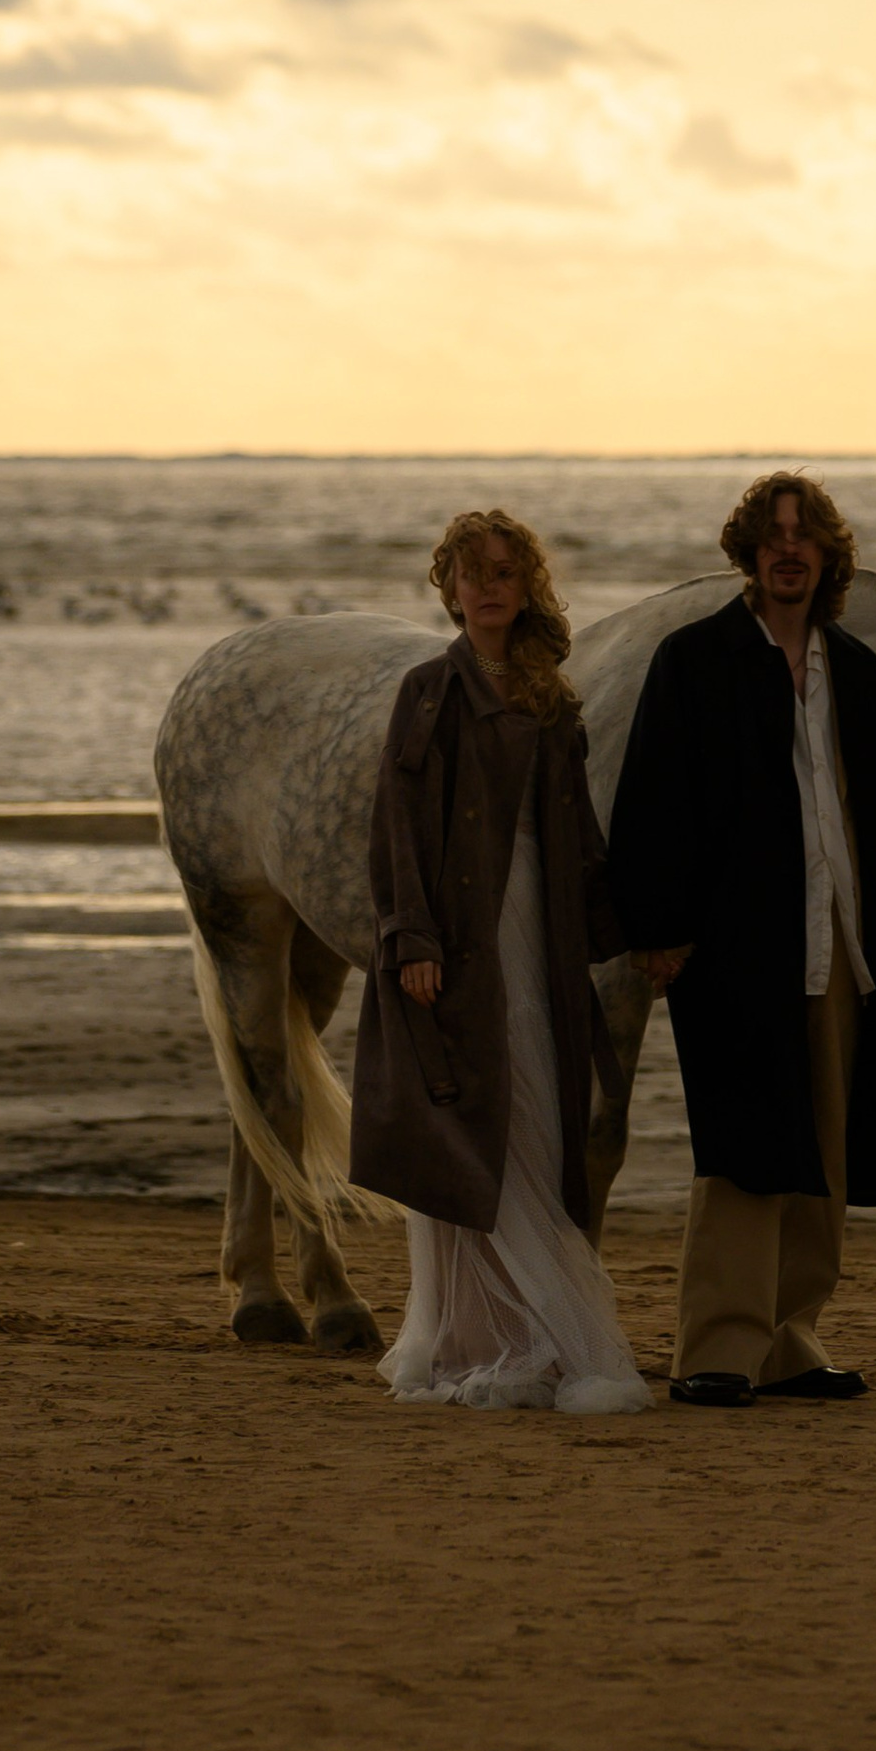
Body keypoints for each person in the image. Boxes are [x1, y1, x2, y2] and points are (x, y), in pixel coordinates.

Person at [605, 468, 876, 1405]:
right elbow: (653, 802)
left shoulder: (857, 670)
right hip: (734, 947)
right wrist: (658, 929)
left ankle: (790, 1337)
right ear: (750, 556)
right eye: (774, 537)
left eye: (805, 536)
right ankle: (717, 1347)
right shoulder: (694, 660)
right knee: (743, 1146)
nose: (789, 550)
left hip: (844, 945)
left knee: (826, 1150)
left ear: (829, 557)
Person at [349, 508, 650, 1414]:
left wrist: (636, 931)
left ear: (528, 590)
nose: (488, 586)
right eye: (472, 572)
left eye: (504, 573)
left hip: (539, 930)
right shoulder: (427, 692)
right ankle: (475, 1340)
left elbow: (585, 835)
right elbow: (396, 827)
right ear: (449, 588)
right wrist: (411, 940)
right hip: (458, 939)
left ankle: (530, 1335)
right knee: (470, 1129)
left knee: (535, 1123)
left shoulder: (551, 696)